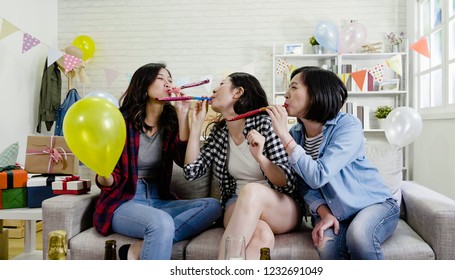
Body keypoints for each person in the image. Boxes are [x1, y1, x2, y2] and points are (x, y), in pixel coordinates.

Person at [267, 66, 400, 260]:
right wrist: (325, 213)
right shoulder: (296, 134)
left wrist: (283, 135)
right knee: (327, 247)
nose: (286, 94)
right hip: (336, 214)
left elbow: (319, 175)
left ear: (315, 94)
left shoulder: (348, 125)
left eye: (294, 87)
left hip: (374, 205)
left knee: (359, 236)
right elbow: (304, 184)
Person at [94, 62, 222, 260]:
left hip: (159, 199)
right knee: (161, 222)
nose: (168, 83)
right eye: (161, 78)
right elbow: (109, 177)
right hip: (125, 199)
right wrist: (104, 175)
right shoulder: (120, 121)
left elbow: (184, 162)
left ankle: (139, 248)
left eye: (170, 79)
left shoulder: (170, 119)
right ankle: (159, 233)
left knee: (212, 206)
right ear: (143, 84)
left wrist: (183, 114)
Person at [183, 72, 303, 259]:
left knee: (251, 191)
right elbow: (191, 171)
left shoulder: (265, 124)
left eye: (221, 84)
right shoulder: (220, 133)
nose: (214, 89)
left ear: (237, 92)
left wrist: (260, 158)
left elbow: (287, 182)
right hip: (237, 204)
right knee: (262, 234)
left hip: (280, 205)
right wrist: (196, 126)